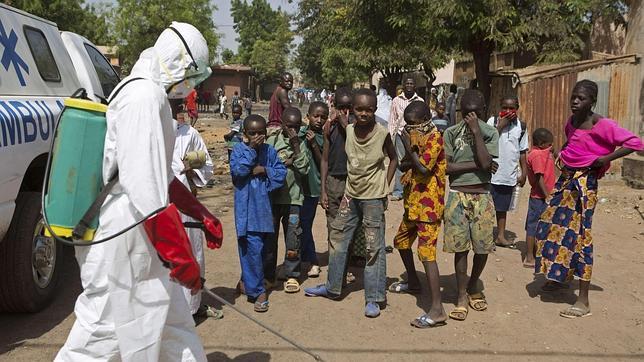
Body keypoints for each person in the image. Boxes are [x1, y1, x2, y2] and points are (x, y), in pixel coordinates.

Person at [55, 22, 222, 361]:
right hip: (125, 235)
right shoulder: (142, 97)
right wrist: (180, 255)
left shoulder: (154, 96)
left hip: (144, 237)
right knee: (100, 336)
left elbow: (161, 174)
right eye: (191, 76)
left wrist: (199, 213)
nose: (189, 86)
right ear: (178, 63)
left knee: (174, 327)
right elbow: (145, 192)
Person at [535, 80, 643, 318]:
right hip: (566, 180)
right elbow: (571, 142)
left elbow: (635, 143)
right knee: (553, 228)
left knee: (581, 235)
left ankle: (583, 301)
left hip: (585, 183)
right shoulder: (571, 122)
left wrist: (605, 159)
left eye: (581, 98)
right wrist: (561, 154)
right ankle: (558, 276)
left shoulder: (601, 124)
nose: (575, 101)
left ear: (592, 102)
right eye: (573, 97)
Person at [305, 88, 398, 319]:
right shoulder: (347, 129)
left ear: (375, 110)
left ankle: (374, 298)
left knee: (373, 247)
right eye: (359, 109)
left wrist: (386, 187)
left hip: (373, 199)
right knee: (337, 237)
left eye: (368, 109)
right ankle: (333, 287)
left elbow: (394, 158)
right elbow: (332, 147)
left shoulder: (382, 134)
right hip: (351, 195)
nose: (363, 113)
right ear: (353, 110)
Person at [389, 101, 447, 328]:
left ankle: (437, 309)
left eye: (414, 124)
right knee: (401, 242)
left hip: (428, 207)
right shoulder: (416, 136)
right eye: (408, 124)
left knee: (427, 254)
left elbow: (423, 168)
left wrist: (405, 143)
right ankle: (413, 281)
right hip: (413, 203)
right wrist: (404, 151)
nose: (411, 128)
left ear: (425, 120)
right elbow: (407, 165)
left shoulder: (435, 138)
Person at [442, 89, 499, 322]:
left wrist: (476, 133)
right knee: (460, 248)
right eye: (466, 114)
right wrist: (478, 165)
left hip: (482, 197)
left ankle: (474, 283)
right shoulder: (450, 133)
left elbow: (487, 162)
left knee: (482, 248)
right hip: (457, 196)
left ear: (483, 112)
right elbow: (447, 168)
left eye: (474, 114)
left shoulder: (489, 132)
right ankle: (462, 295)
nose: (470, 118)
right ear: (460, 112)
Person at [231, 115, 287, 313]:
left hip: (263, 208)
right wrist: (252, 152)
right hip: (246, 209)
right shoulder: (239, 151)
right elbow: (238, 172)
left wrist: (264, 169)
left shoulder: (270, 151)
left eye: (260, 133)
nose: (257, 137)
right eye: (252, 133)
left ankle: (249, 280)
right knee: (250, 247)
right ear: (245, 135)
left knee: (263, 248)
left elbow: (281, 173)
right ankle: (258, 291)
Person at [171, 102, 218, 321]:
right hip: (156, 203)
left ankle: (192, 306)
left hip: (184, 203)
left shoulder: (189, 134)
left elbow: (206, 166)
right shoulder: (150, 131)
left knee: (191, 251)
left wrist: (191, 169)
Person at [264, 107, 310, 293]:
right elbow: (269, 166)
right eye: (289, 126)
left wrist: (296, 144)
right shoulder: (272, 142)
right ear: (282, 124)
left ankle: (292, 274)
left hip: (294, 199)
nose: (293, 130)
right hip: (273, 199)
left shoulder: (301, 143)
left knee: (293, 239)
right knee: (270, 239)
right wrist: (287, 162)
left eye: (297, 127)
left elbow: (304, 167)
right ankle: (269, 275)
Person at [320, 88, 367, 268]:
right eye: (342, 107)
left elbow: (359, 149)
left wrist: (346, 125)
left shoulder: (358, 128)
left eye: (349, 108)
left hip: (353, 180)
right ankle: (336, 266)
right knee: (334, 225)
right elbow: (325, 159)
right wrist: (323, 189)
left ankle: (348, 263)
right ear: (335, 106)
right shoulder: (329, 127)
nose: (345, 112)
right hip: (334, 181)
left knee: (352, 225)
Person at [487, 95, 528, 248]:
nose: (508, 111)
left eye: (512, 108)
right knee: (486, 206)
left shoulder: (521, 127)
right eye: (505, 107)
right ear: (500, 108)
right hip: (491, 172)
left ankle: (500, 236)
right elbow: (486, 140)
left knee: (502, 207)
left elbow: (523, 151)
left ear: (517, 109)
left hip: (508, 173)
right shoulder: (492, 122)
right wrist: (500, 126)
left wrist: (524, 173)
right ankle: (484, 236)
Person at [299, 101, 328, 277]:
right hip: (297, 188)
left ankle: (312, 259)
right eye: (315, 116)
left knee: (305, 223)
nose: (318, 120)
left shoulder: (323, 138)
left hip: (312, 187)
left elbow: (323, 162)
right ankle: (303, 258)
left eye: (323, 117)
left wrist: (314, 146)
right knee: (299, 225)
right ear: (307, 116)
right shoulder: (301, 133)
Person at [523, 128, 555, 269]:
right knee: (533, 226)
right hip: (539, 197)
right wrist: (547, 195)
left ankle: (539, 253)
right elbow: (539, 177)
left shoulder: (542, 152)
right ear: (542, 144)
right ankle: (529, 256)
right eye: (549, 144)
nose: (551, 146)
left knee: (544, 226)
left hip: (544, 196)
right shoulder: (536, 156)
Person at [388, 77, 424, 201]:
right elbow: (392, 119)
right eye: (407, 83)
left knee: (416, 162)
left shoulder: (420, 100)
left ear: (414, 86)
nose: (409, 85)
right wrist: (391, 135)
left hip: (416, 135)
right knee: (400, 162)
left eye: (411, 83)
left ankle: (413, 189)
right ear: (404, 85)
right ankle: (398, 191)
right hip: (400, 134)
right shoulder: (396, 101)